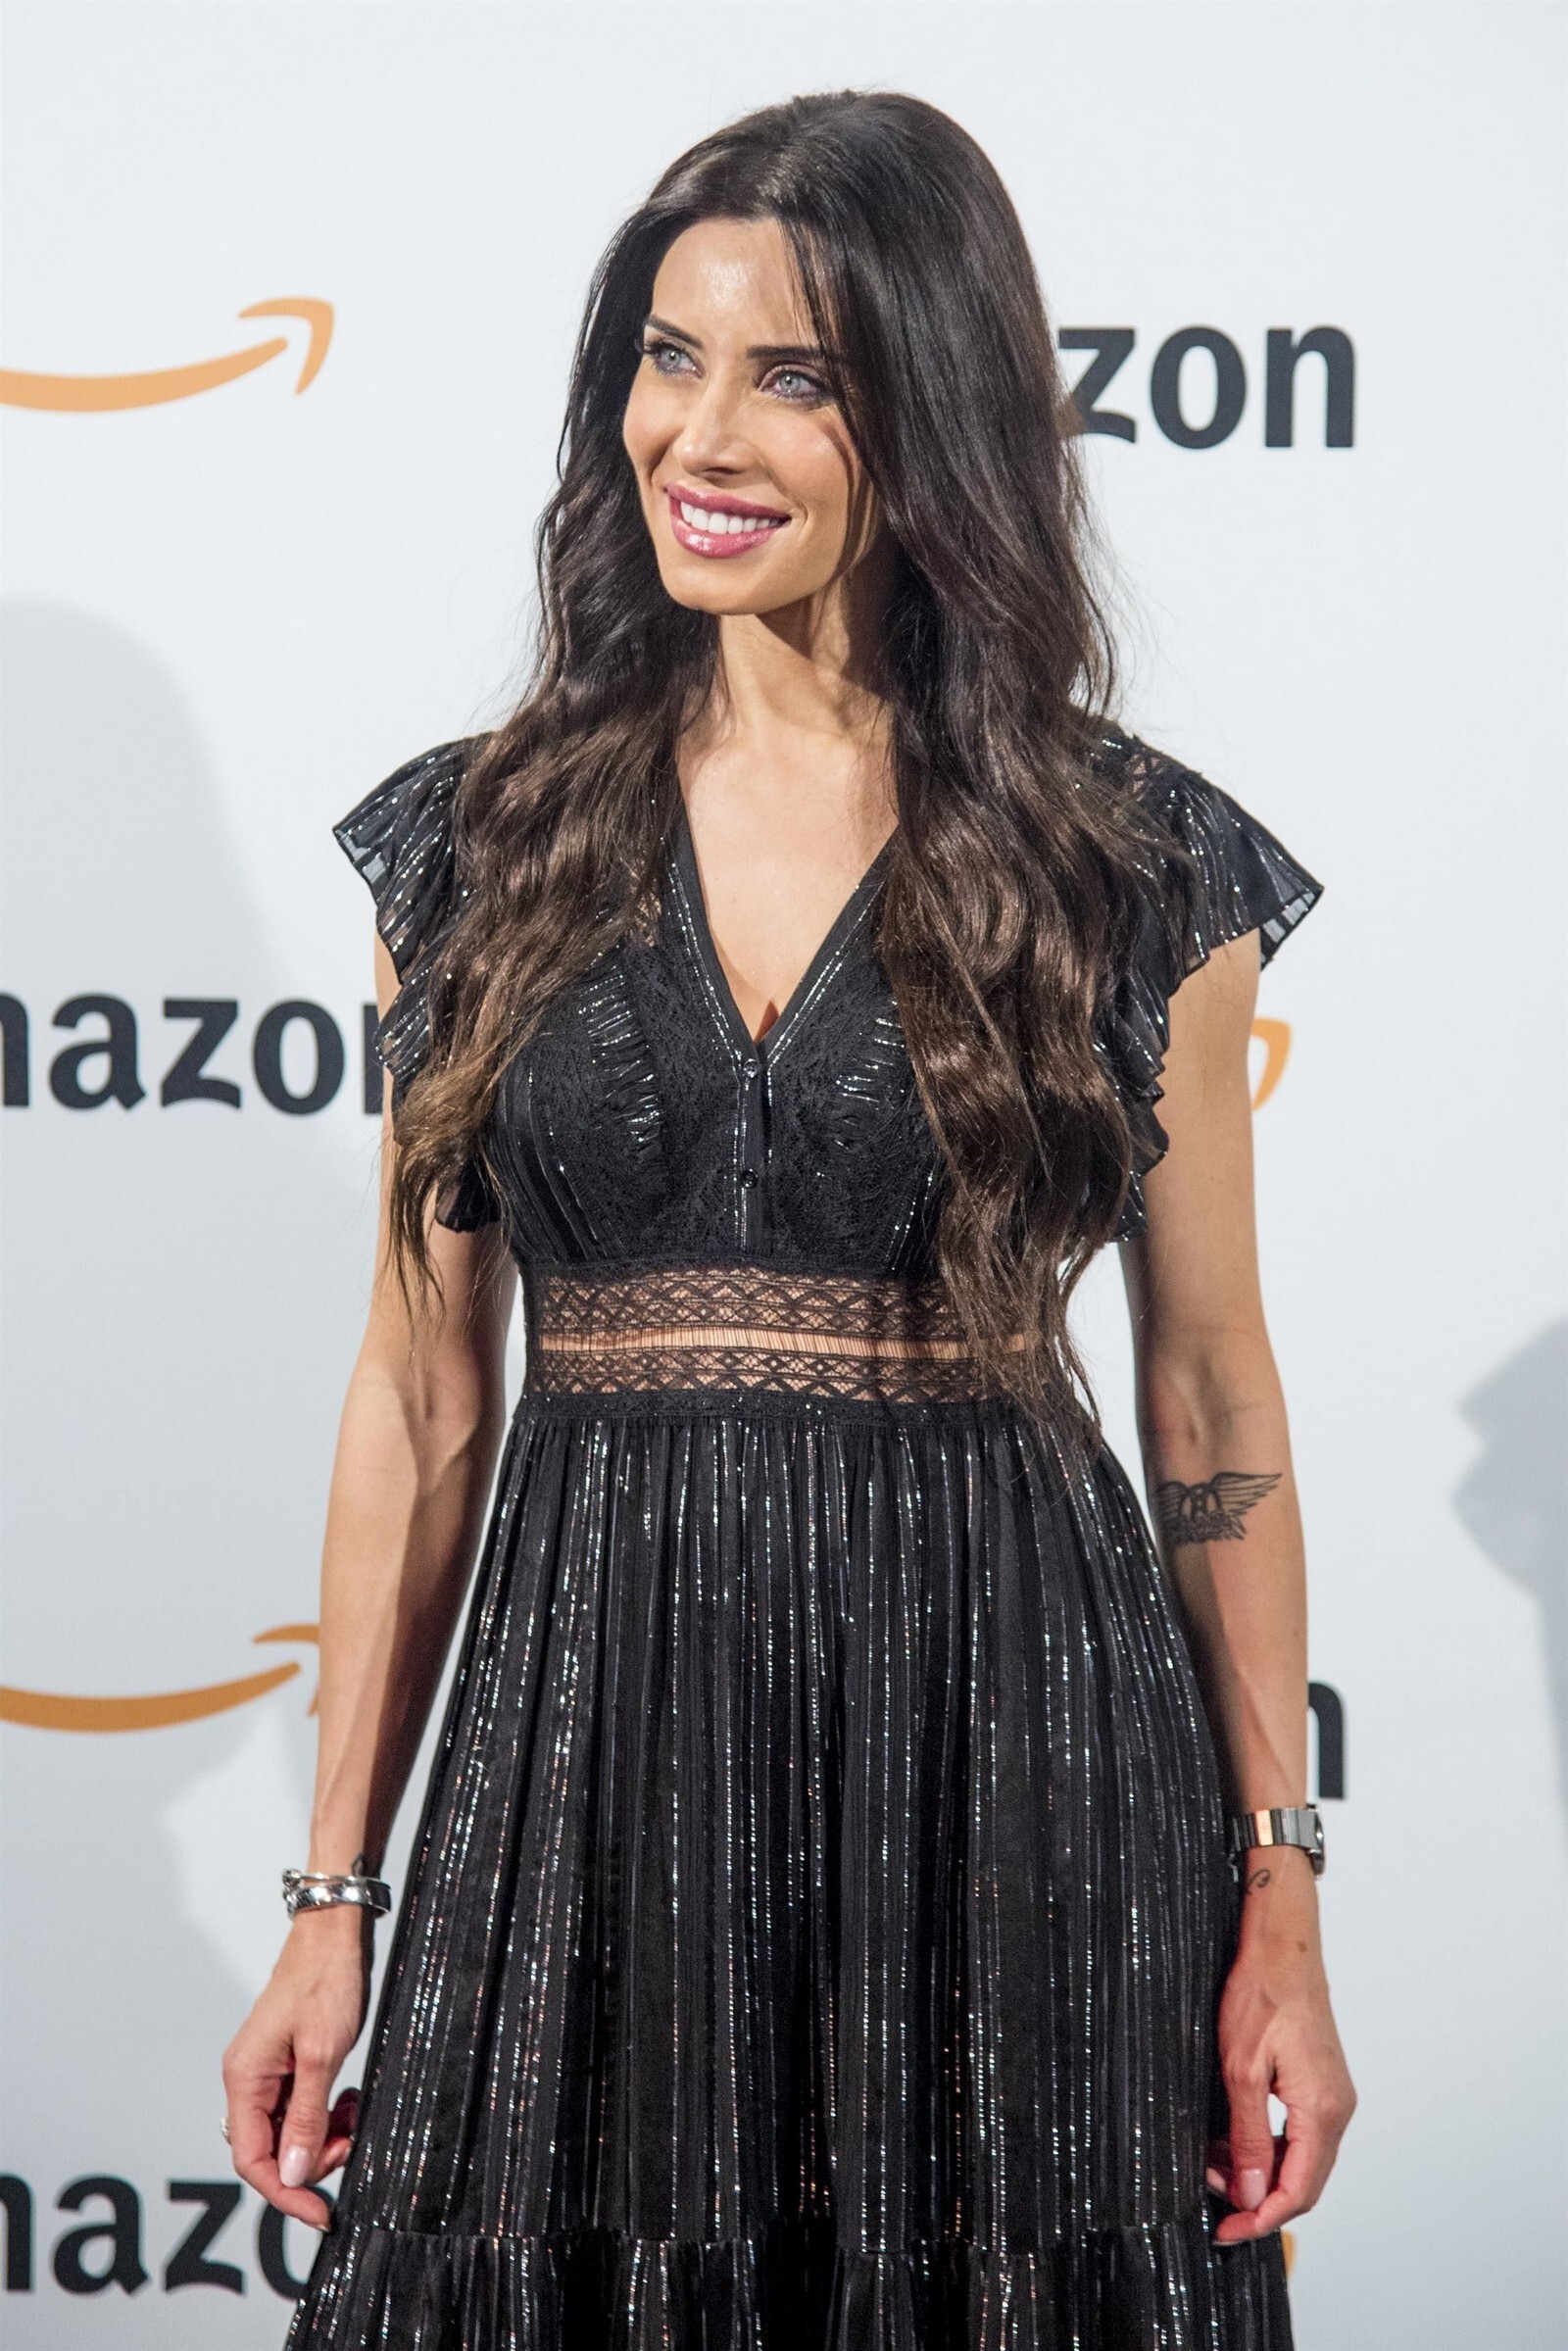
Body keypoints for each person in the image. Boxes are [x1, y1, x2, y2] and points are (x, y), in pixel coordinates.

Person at [222, 88, 1354, 2350]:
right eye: (667, 357)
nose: (699, 435)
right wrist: (331, 1894)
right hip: (585, 1743)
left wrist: (1281, 1904)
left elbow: (1208, 1403)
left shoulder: (1129, 868)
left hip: (1008, 1746)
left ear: (929, 417)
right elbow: (421, 1400)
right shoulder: (475, 850)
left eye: (793, 375)